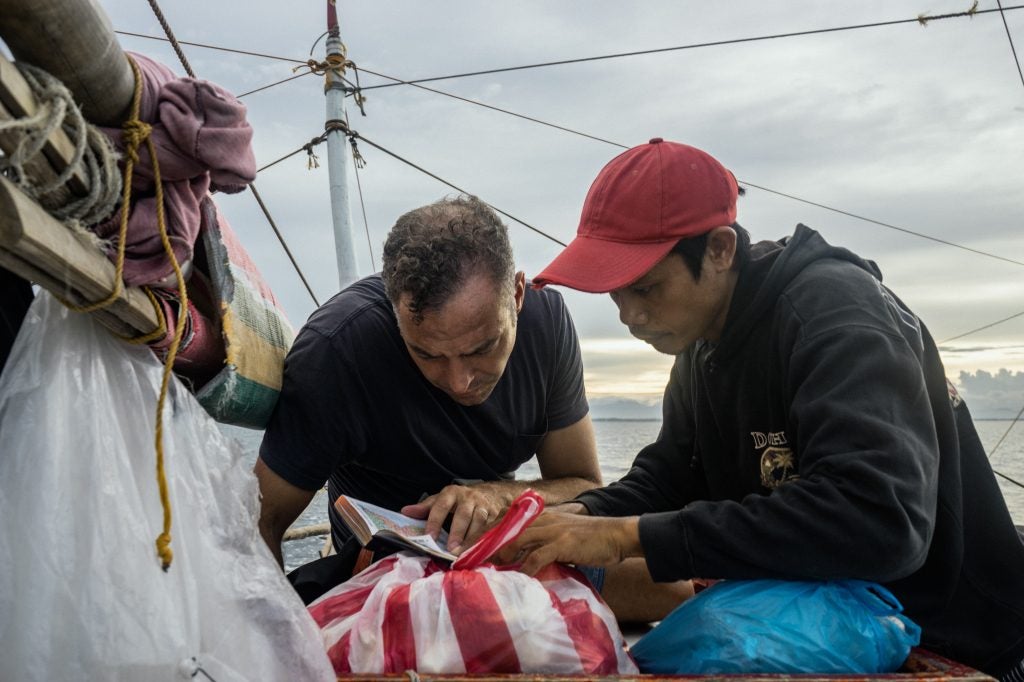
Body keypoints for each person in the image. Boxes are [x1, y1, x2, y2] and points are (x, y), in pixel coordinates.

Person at [497, 138, 1024, 678]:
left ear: (721, 249)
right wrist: (576, 517)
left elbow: (879, 518)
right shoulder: (701, 345)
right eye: (615, 294)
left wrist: (627, 536)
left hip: (954, 643)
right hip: (827, 628)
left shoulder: (839, 316)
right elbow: (670, 476)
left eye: (647, 287)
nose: (630, 315)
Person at [256, 194, 691, 619]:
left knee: (672, 590)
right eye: (426, 354)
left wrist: (496, 496)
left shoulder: (547, 324)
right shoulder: (336, 352)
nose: (459, 381)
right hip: (383, 569)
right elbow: (261, 522)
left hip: (500, 546)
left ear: (517, 296)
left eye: (483, 348)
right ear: (394, 314)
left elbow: (582, 483)